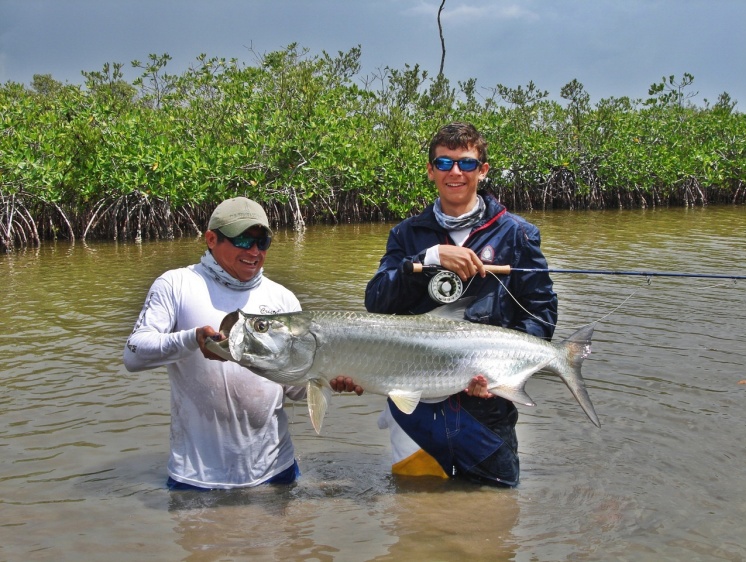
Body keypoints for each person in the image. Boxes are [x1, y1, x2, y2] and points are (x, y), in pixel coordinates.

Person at [365, 122, 558, 487]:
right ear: (430, 170)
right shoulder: (406, 235)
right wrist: (429, 256)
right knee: (414, 515)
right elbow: (377, 302)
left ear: (482, 171)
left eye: (467, 164)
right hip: (416, 409)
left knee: (493, 518)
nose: (456, 173)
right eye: (444, 163)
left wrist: (503, 370)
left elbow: (540, 314)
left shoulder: (517, 234)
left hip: (487, 409)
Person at [124, 196, 358, 490]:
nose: (255, 251)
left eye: (263, 242)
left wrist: (328, 378)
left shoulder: (282, 298)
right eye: (243, 241)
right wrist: (193, 340)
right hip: (196, 479)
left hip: (278, 472)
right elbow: (134, 353)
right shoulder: (176, 284)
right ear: (211, 239)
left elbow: (294, 390)